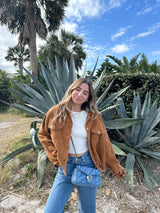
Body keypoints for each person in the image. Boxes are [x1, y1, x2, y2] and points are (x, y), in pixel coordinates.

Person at [38, 78, 126, 213]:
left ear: (88, 98)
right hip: (66, 166)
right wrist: (56, 157)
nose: (80, 95)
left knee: (87, 210)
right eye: (78, 90)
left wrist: (115, 166)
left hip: (88, 165)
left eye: (85, 93)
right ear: (71, 90)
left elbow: (105, 143)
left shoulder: (93, 116)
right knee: (51, 210)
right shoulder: (55, 112)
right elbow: (43, 134)